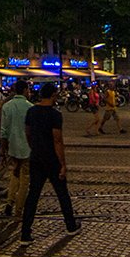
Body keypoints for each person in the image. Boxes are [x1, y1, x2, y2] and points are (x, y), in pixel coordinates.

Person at [20, 82, 80, 243]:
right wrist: (63, 164)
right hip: (52, 159)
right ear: (53, 95)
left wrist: (34, 147)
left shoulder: (31, 111)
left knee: (33, 195)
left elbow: (28, 133)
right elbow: (57, 140)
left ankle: (25, 233)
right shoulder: (54, 114)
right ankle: (71, 225)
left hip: (36, 158)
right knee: (62, 194)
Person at [0, 79, 32, 219]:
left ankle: (9, 202)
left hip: (12, 147)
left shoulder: (7, 106)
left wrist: (3, 149)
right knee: (25, 181)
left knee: (14, 175)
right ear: (25, 90)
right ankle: (19, 210)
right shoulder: (30, 107)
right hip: (27, 148)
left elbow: (3, 131)